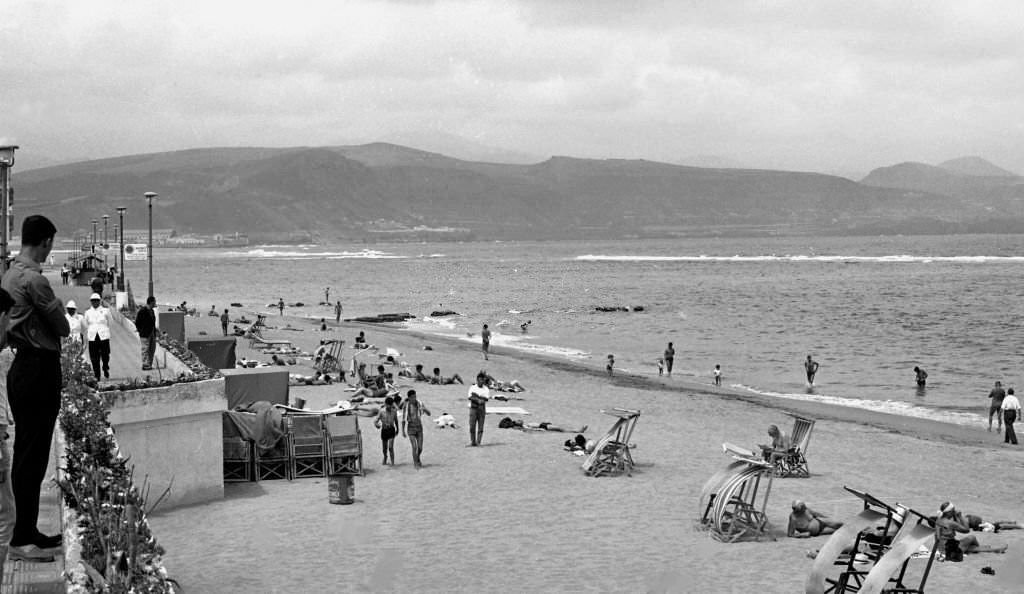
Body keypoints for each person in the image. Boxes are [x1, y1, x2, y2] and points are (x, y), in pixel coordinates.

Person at [1, 215, 70, 557]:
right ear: (45, 241)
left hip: (20, 367)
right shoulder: (35, 281)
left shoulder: (10, 274)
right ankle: (22, 539)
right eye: (51, 243)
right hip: (38, 369)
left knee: (27, 452)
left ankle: (26, 530)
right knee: (33, 454)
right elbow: (63, 326)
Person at [935, 502, 1007, 558]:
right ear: (949, 512)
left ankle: (995, 549)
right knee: (972, 537)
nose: (955, 511)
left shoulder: (938, 520)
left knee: (970, 548)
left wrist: (955, 516)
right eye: (953, 510)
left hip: (942, 548)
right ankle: (989, 549)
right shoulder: (950, 523)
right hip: (950, 550)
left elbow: (938, 537)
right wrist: (960, 516)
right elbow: (966, 530)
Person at [83, 292, 112, 380]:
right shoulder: (87, 312)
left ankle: (105, 367)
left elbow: (111, 322)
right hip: (92, 336)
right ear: (91, 302)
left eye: (96, 300)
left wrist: (106, 329)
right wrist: (90, 331)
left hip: (103, 335)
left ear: (99, 301)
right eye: (93, 301)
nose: (95, 302)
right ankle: (97, 374)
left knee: (105, 354)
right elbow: (85, 324)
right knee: (94, 357)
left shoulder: (106, 310)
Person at [402, 389, 431, 467]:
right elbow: (403, 419)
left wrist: (425, 409)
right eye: (413, 397)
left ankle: (417, 458)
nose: (415, 398)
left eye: (415, 396)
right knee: (414, 446)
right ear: (409, 398)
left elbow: (429, 414)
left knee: (420, 448)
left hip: (419, 427)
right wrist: (403, 431)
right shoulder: (406, 405)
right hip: (411, 428)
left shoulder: (420, 404)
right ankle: (415, 464)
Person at [374, 396, 399, 465]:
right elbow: (376, 420)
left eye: (390, 405)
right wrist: (377, 425)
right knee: (384, 448)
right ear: (385, 404)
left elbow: (396, 421)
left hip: (391, 430)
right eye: (388, 405)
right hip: (384, 430)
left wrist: (398, 429)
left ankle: (393, 462)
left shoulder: (394, 411)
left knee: (390, 447)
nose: (389, 406)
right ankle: (385, 456)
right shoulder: (382, 411)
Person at [135, 296, 157, 371]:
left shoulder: (152, 311)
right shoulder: (142, 311)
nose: (155, 303)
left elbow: (153, 323)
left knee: (152, 348)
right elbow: (137, 322)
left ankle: (149, 364)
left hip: (152, 333)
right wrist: (140, 330)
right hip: (145, 333)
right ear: (151, 302)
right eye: (154, 302)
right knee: (145, 349)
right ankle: (145, 364)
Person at [467, 373, 490, 446]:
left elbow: (485, 399)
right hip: (473, 408)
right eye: (480, 380)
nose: (481, 382)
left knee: (480, 426)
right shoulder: (472, 387)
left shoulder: (486, 389)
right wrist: (478, 399)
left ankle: (478, 442)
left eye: (482, 380)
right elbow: (470, 397)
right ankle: (473, 442)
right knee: (472, 426)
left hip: (481, 409)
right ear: (477, 380)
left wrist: (476, 397)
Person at [497, 417, 587, 433]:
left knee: (560, 428)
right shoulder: (520, 427)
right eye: (518, 420)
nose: (520, 420)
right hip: (543, 427)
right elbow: (530, 430)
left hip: (543, 425)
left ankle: (577, 430)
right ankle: (578, 431)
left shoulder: (523, 425)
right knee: (560, 429)